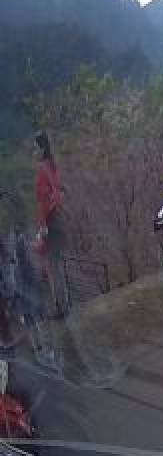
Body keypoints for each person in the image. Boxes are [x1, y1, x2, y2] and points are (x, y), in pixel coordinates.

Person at [32, 131, 69, 319]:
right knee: (58, 265)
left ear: (40, 147)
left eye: (35, 147)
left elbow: (43, 202)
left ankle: (60, 308)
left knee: (53, 267)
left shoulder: (42, 169)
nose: (33, 151)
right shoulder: (53, 165)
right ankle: (63, 305)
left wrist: (42, 227)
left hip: (51, 221)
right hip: (59, 219)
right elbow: (59, 191)